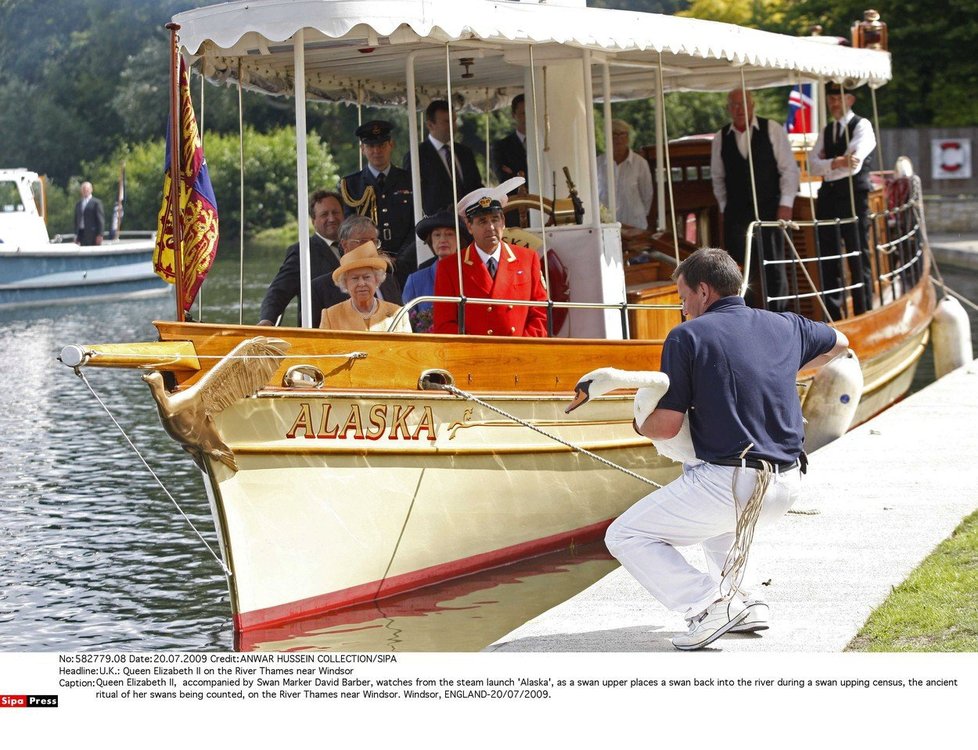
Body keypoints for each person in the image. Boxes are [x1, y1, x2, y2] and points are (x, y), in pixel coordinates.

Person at [603, 248, 848, 650]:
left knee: (626, 535)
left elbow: (665, 428)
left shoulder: (687, 336)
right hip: (787, 483)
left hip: (735, 484)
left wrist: (637, 422)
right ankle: (744, 599)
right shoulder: (785, 325)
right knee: (706, 502)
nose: (683, 309)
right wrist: (782, 365)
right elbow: (840, 342)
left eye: (683, 298)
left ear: (703, 291)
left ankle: (708, 604)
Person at [710, 88, 800, 311]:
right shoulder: (721, 138)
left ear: (753, 105)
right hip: (737, 216)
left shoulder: (772, 129)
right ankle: (745, 319)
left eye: (744, 104)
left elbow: (789, 169)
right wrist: (724, 209)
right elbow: (718, 177)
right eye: (735, 105)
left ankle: (781, 319)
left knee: (775, 269)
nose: (740, 109)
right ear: (729, 109)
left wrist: (786, 204)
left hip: (770, 212)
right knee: (740, 274)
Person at [432, 178, 549, 337]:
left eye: (495, 219)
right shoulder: (451, 267)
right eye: (482, 221)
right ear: (469, 227)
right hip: (476, 357)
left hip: (520, 354)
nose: (491, 227)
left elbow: (541, 313)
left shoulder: (528, 259)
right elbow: (445, 324)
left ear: (503, 222)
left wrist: (523, 348)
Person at [809, 82, 878, 320]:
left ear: (850, 100)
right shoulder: (826, 131)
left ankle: (864, 311)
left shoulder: (863, 126)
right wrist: (837, 162)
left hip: (853, 197)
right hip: (828, 198)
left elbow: (854, 163)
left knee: (858, 253)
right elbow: (811, 164)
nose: (833, 104)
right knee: (828, 255)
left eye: (838, 99)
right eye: (830, 99)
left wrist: (828, 165)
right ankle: (834, 315)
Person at [338, 120, 416, 287]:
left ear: (391, 145)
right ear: (363, 149)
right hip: (366, 265)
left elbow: (416, 225)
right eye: (371, 146)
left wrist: (399, 259)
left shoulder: (411, 180)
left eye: (381, 145)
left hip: (405, 265)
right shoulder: (351, 185)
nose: (376, 151)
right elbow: (348, 229)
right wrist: (373, 256)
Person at [258, 189, 344, 326]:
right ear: (313, 221)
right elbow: (278, 291)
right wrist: (267, 321)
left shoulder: (355, 246)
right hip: (319, 334)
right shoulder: (302, 252)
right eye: (324, 214)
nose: (331, 218)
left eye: (335, 212)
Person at [309, 215, 402, 325]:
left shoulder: (389, 280)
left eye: (374, 241)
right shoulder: (320, 288)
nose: (370, 246)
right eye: (363, 241)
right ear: (345, 245)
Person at [406, 100, 483, 217]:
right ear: (430, 125)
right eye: (447, 122)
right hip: (437, 225)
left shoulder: (465, 152)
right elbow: (413, 195)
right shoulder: (417, 156)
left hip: (469, 222)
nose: (453, 126)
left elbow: (476, 186)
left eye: (454, 121)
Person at [319, 241, 411, 333]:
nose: (361, 283)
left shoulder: (398, 313)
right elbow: (322, 347)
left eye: (366, 277)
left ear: (376, 279)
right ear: (345, 283)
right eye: (355, 278)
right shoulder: (331, 316)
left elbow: (408, 347)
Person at [402, 210, 458, 332]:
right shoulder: (415, 281)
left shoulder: (471, 275)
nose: (442, 240)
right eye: (437, 235)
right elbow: (405, 327)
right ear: (431, 241)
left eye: (449, 234)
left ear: (459, 239)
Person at [596, 119, 654, 230]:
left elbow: (647, 194)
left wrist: (637, 214)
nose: (618, 139)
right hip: (606, 227)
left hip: (634, 224)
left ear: (627, 137)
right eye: (613, 134)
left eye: (622, 134)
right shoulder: (598, 163)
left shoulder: (640, 163)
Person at [491, 94, 529, 228]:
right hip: (514, 214)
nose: (528, 117)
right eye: (524, 113)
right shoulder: (501, 147)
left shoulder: (547, 144)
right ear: (514, 115)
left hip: (544, 210)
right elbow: (505, 180)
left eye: (531, 111)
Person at [74, 182, 105, 246]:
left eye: (87, 189)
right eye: (83, 189)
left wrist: (100, 235)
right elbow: (76, 220)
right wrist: (76, 235)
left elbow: (100, 220)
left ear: (91, 190)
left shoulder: (96, 203)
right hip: (81, 233)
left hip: (93, 234)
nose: (85, 191)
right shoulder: (78, 204)